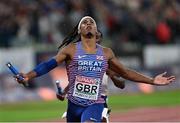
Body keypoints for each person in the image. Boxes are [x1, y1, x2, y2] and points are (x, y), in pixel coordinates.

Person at [15, 16, 175, 122]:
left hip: (95, 103)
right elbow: (48, 65)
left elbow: (125, 73)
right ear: (79, 31)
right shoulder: (70, 49)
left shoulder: (106, 52)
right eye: (84, 22)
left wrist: (152, 81)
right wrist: (28, 76)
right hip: (73, 106)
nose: (88, 24)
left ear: (97, 30)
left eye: (92, 22)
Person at [56, 30, 125, 122]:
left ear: (100, 40)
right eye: (93, 36)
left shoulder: (106, 58)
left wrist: (111, 74)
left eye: (98, 37)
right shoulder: (81, 58)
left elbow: (122, 84)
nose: (95, 39)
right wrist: (63, 92)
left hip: (99, 101)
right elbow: (77, 81)